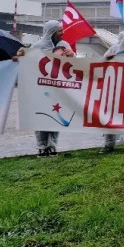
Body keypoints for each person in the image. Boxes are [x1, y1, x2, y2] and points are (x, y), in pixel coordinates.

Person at [27, 20, 74, 157]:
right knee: (42, 117)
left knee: (56, 116)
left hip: (58, 88)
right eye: (59, 31)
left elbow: (73, 67)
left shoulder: (64, 46)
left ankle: (52, 145)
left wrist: (73, 57)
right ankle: (42, 146)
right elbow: (29, 65)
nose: (62, 33)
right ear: (51, 32)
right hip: (41, 88)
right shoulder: (37, 47)